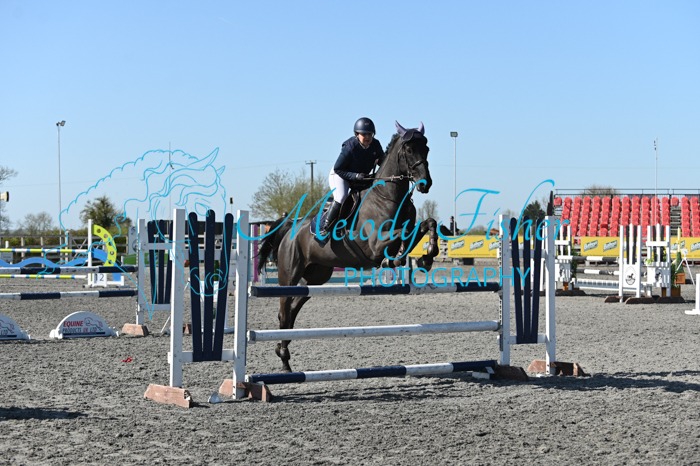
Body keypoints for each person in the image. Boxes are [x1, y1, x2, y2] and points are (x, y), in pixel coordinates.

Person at [319, 117, 385, 238]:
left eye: (370, 134)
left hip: (360, 178)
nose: (367, 137)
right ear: (357, 134)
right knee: (341, 197)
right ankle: (326, 227)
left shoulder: (375, 145)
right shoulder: (350, 147)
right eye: (364, 134)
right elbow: (338, 168)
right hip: (340, 175)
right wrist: (355, 176)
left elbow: (383, 162)